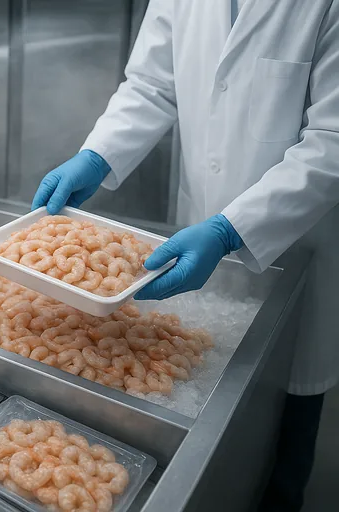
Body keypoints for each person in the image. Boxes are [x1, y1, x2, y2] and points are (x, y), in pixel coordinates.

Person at [32, 1, 339, 510]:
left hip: (296, 243)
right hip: (196, 224)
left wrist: (229, 230)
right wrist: (99, 152)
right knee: (203, 410)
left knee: (280, 439)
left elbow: (333, 139)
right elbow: (153, 84)